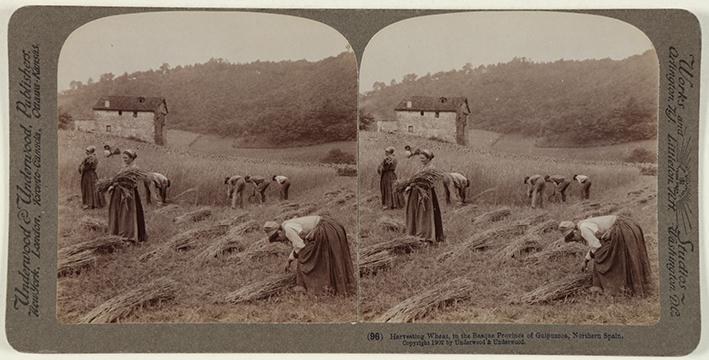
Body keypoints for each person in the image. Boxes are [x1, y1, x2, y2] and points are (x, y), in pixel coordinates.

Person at [559, 215, 651, 296]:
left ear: (575, 232)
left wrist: (586, 260)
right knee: (612, 254)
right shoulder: (582, 225)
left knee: (601, 256)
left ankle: (614, 286)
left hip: (622, 229)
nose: (577, 240)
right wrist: (586, 259)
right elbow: (598, 242)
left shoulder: (583, 229)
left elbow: (596, 246)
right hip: (624, 225)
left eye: (574, 238)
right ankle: (627, 285)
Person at [263, 215, 355, 296]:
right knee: (327, 257)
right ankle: (333, 285)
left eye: (279, 239)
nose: (282, 241)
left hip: (326, 229)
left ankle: (316, 286)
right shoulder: (286, 225)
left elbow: (300, 246)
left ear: (279, 233)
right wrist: (289, 260)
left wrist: (291, 260)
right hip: (329, 226)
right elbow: (298, 244)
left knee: (305, 257)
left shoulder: (288, 230)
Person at [400, 149, 444, 242]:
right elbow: (415, 178)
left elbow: (427, 182)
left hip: (425, 194)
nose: (421, 160)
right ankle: (414, 232)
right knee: (414, 212)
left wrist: (413, 184)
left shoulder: (431, 169)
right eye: (420, 158)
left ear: (429, 158)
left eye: (423, 158)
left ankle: (424, 234)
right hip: (416, 192)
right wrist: (409, 184)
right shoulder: (421, 167)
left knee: (424, 214)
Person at [107, 149, 147, 242]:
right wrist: (112, 185)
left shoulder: (134, 169)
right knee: (118, 212)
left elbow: (131, 182)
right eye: (123, 158)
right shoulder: (123, 167)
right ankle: (116, 231)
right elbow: (117, 179)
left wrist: (117, 184)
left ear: (131, 158)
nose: (124, 159)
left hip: (128, 194)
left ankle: (128, 234)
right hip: (118, 193)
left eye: (126, 158)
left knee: (127, 213)